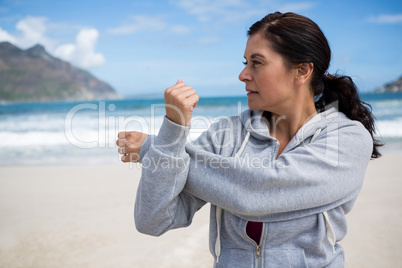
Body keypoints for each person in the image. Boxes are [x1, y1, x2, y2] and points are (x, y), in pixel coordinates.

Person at [116, 12, 381, 267]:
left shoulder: (346, 138)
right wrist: (172, 132)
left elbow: (258, 193)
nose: (243, 75)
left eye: (257, 62)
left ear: (302, 71)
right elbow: (152, 220)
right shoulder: (225, 136)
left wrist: (153, 148)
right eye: (245, 63)